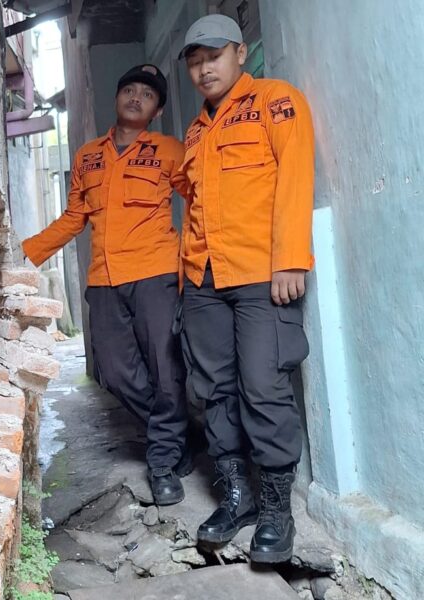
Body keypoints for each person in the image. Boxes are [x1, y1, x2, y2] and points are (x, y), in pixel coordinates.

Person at [175, 14, 315, 563]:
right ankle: (238, 497)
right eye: (194, 61)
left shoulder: (276, 102)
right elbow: (193, 206)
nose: (204, 69)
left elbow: (295, 178)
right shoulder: (195, 131)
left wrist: (290, 260)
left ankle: (277, 510)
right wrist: (186, 277)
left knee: (264, 386)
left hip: (261, 273)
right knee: (214, 390)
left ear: (240, 52)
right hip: (203, 279)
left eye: (213, 56)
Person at [22, 65, 191, 505]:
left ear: (157, 111)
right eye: (129, 90)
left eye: (147, 95)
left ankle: (162, 461)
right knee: (114, 372)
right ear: (117, 98)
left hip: (155, 274)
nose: (136, 98)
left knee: (165, 369)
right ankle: (173, 434)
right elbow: (73, 218)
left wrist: (195, 259)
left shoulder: (170, 151)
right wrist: (27, 253)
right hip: (104, 279)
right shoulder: (87, 157)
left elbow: (199, 200)